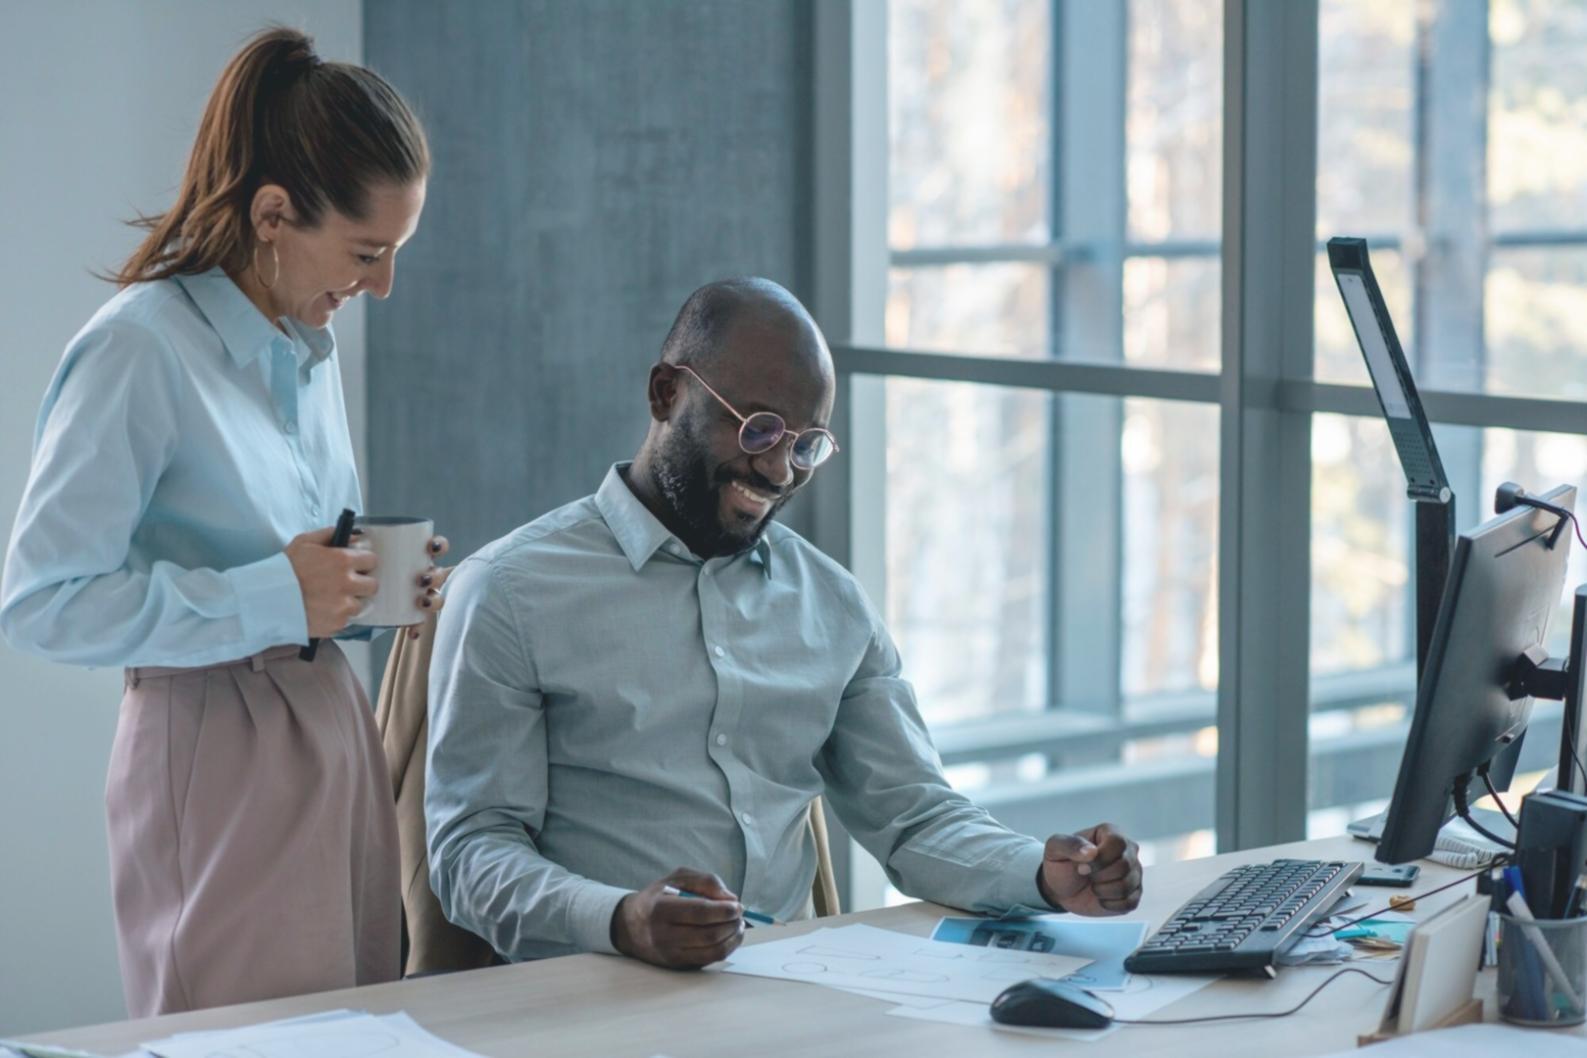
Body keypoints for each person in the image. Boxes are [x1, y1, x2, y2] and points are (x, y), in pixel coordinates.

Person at [425, 277, 1144, 970]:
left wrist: (1044, 877)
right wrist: (619, 919)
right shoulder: (511, 590)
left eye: (805, 444)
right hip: (589, 998)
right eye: (756, 427)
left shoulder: (831, 604)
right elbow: (470, 852)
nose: (778, 469)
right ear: (665, 393)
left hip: (790, 995)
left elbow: (914, 819)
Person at [1, 28, 444, 1015]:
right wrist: (280, 592)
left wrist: (364, 580)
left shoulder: (305, 339)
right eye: (367, 252)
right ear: (275, 213)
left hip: (333, 730)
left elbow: (287, 553)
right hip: (216, 751)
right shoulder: (138, 349)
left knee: (360, 1029)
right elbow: (39, 602)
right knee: (245, 1040)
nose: (381, 287)